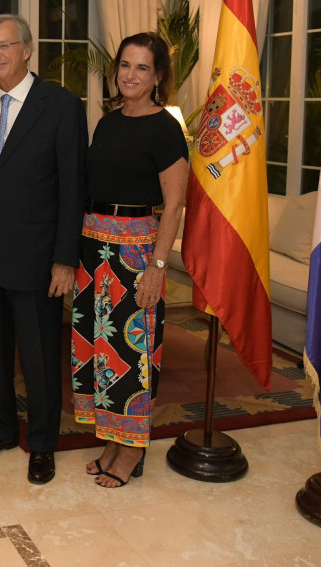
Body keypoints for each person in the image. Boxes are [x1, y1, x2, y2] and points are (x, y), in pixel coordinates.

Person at [0, 14, 87, 484]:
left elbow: (72, 187)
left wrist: (64, 258)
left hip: (37, 256)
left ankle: (42, 442)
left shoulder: (61, 105)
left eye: (5, 46)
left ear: (27, 50)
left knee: (37, 354)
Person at [72, 32, 188, 488]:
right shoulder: (108, 122)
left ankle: (130, 452)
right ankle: (111, 440)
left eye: (142, 67)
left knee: (132, 355)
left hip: (136, 255)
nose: (130, 75)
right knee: (100, 355)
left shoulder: (165, 128)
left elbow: (174, 204)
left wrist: (157, 268)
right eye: (125, 65)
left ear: (158, 75)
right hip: (93, 253)